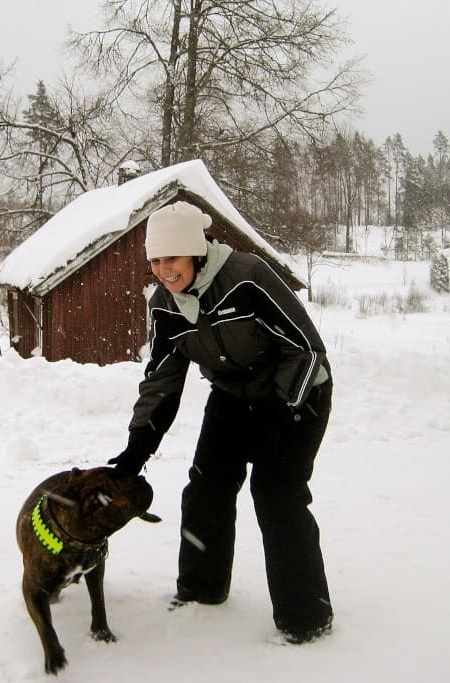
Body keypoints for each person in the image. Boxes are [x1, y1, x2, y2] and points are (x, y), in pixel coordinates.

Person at [109, 201, 334, 644]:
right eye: (155, 260)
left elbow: (307, 348)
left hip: (298, 392)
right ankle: (201, 589)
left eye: (172, 258)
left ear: (195, 251)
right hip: (233, 393)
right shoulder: (164, 305)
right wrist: (137, 449)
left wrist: (279, 411)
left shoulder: (247, 277)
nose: (164, 270)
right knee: (206, 486)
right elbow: (162, 380)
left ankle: (306, 618)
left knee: (276, 494)